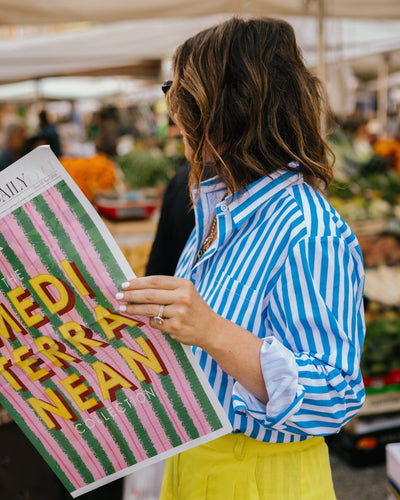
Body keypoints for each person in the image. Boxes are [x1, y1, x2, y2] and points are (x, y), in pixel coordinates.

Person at [116, 17, 366, 500]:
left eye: (182, 94)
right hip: (196, 463)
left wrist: (211, 330)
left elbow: (335, 395)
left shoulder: (309, 231)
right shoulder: (218, 206)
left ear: (232, 108)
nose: (172, 113)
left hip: (262, 478)